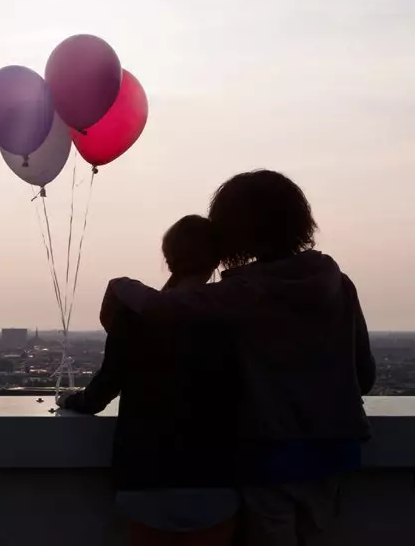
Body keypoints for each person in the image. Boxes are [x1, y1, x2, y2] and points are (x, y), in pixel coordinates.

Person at [103, 170, 375, 546]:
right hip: (334, 450)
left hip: (269, 452)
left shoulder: (245, 290)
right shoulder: (339, 283)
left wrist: (119, 285)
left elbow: (162, 308)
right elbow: (365, 374)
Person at [62, 215, 240, 545]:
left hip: (147, 471)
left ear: (169, 258)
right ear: (217, 260)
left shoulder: (136, 315)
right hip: (215, 472)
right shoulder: (232, 315)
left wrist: (70, 400)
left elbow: (103, 389)